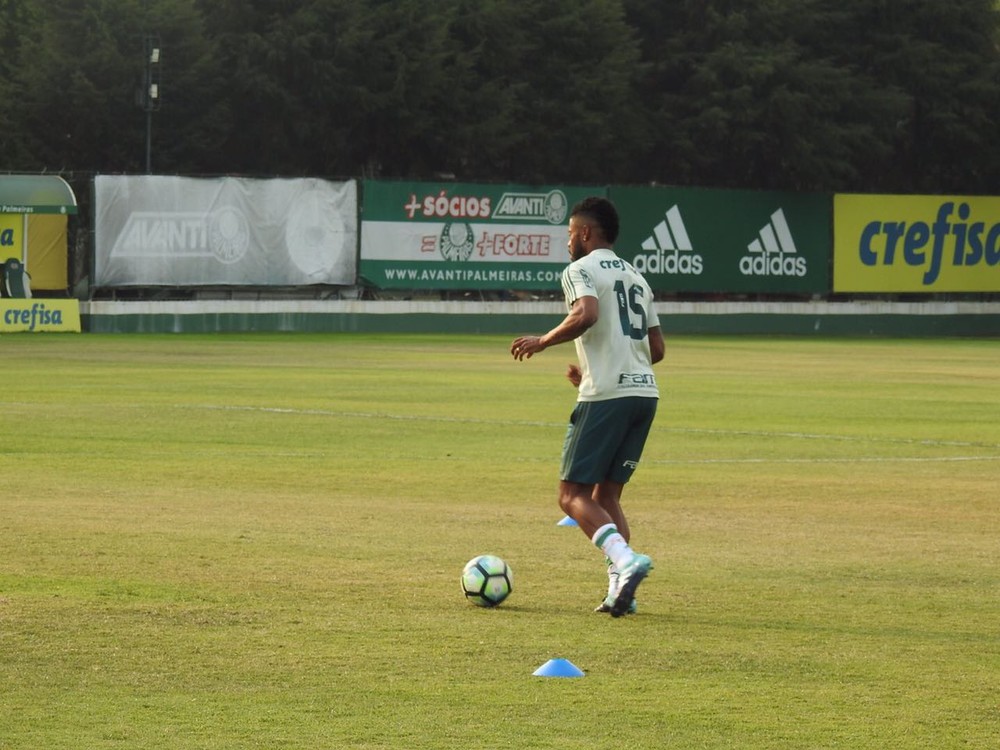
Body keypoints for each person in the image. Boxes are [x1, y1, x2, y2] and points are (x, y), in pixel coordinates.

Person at [511, 196, 664, 617]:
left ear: (583, 233)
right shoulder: (637, 277)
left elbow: (587, 313)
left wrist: (542, 341)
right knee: (607, 495)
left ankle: (627, 560)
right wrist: (597, 369)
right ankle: (620, 590)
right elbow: (657, 348)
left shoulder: (579, 270)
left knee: (571, 495)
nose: (567, 242)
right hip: (644, 394)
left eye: (568, 234)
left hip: (609, 395)